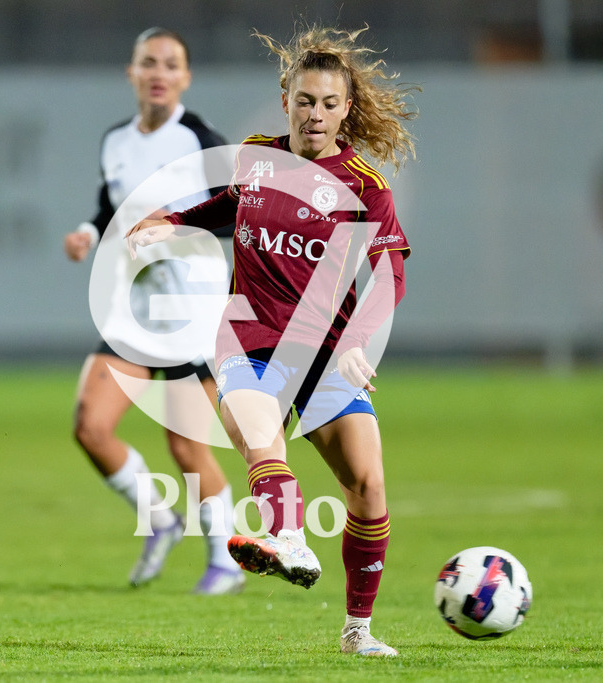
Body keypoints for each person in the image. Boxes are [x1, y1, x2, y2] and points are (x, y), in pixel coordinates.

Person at [126, 24, 417, 655]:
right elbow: (227, 204)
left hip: (325, 352)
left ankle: (357, 632)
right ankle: (286, 535)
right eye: (305, 100)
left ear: (348, 110)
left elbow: (389, 275)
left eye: (330, 104)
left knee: (367, 489)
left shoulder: (365, 187)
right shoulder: (257, 156)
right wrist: (171, 222)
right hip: (249, 337)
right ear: (285, 96)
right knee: (260, 438)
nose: (316, 114)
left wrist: (363, 340)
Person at [64, 27, 244, 596]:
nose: (160, 71)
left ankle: (228, 561)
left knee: (187, 444)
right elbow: (109, 200)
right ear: (132, 73)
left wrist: (175, 224)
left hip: (192, 312)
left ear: (185, 77)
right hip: (135, 309)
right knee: (91, 426)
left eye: (171, 63)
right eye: (149, 62)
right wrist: (90, 231)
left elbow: (243, 211)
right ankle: (161, 518)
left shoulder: (200, 139)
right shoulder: (116, 140)